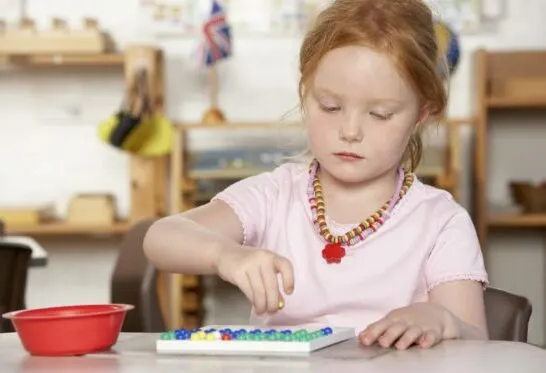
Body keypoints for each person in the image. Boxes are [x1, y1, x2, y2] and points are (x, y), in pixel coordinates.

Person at [143, 0, 488, 350]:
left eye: (381, 114)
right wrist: (224, 255)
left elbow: (478, 342)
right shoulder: (275, 196)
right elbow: (161, 237)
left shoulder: (441, 221)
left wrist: (444, 321)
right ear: (306, 95)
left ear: (421, 114)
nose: (350, 130)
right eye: (330, 107)